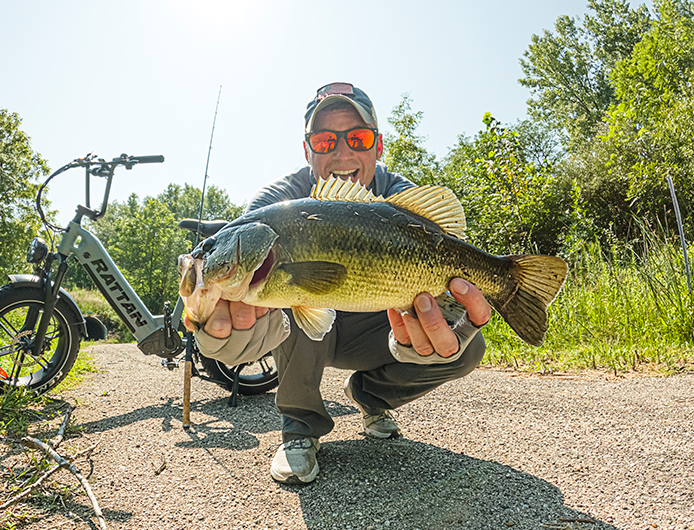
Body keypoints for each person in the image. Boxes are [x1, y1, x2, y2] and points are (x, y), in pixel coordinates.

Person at [187, 82, 490, 484]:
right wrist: (225, 334)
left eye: (358, 138)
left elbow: (443, 242)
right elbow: (248, 293)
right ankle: (299, 428)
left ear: (379, 146)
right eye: (325, 139)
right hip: (308, 334)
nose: (342, 152)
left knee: (466, 346)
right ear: (307, 149)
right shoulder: (276, 204)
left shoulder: (400, 194)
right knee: (289, 291)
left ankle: (368, 397)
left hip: (376, 328)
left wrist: (434, 325)